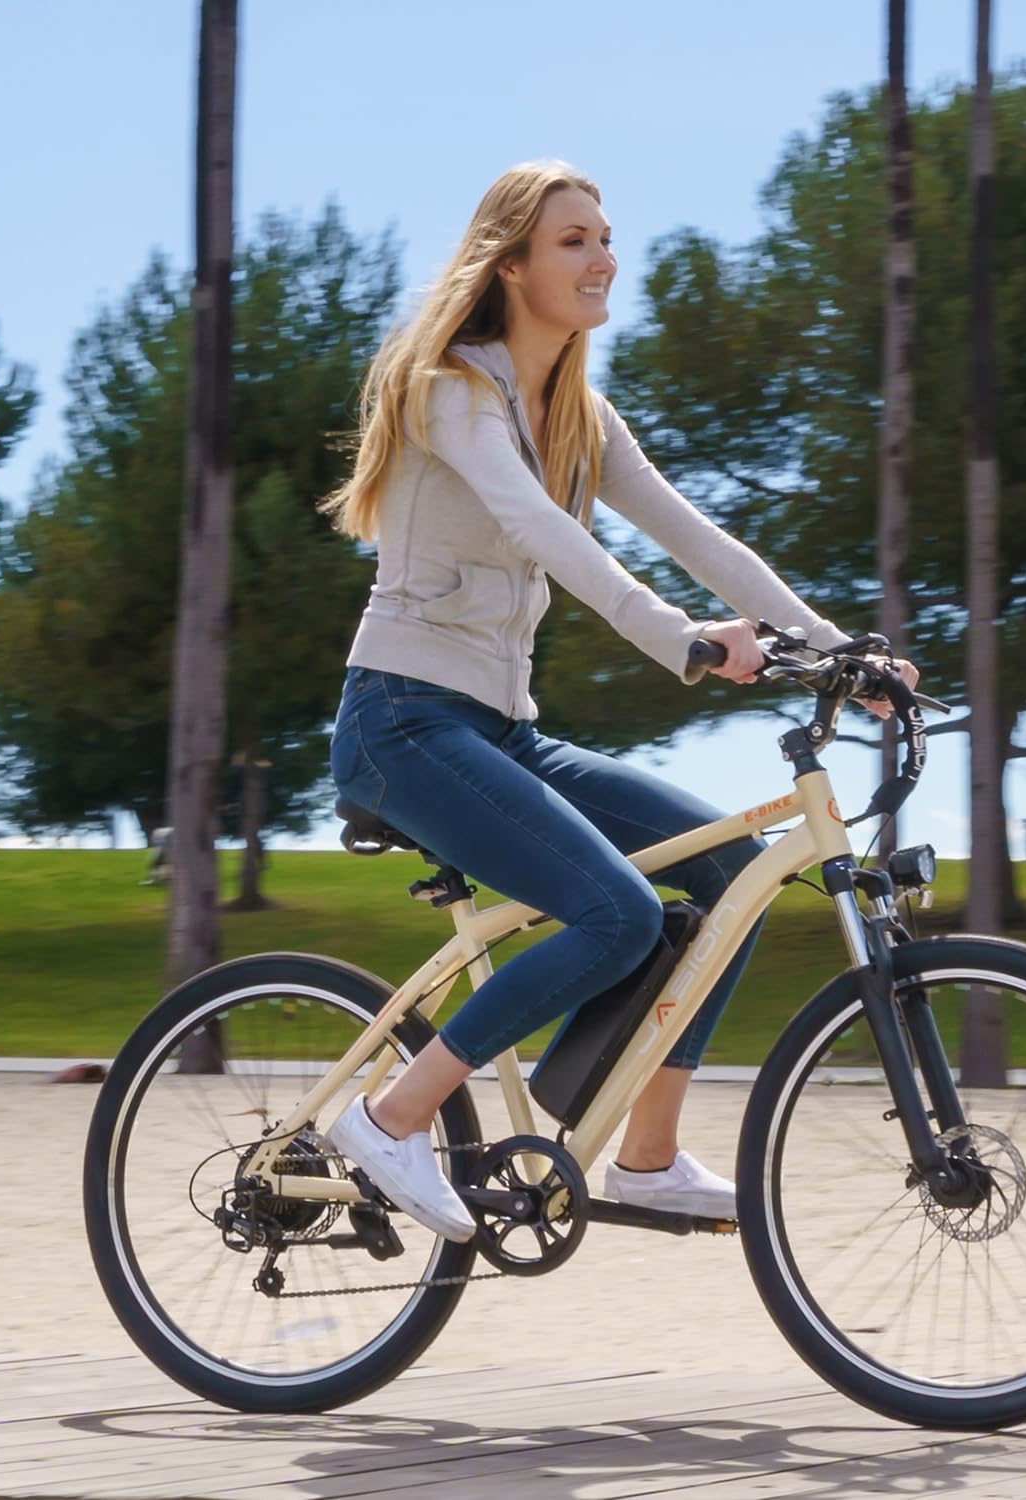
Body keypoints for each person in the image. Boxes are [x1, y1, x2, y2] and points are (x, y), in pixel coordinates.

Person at [319, 161, 917, 1242]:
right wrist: (679, 639)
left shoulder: (579, 418)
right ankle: (390, 1119)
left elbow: (698, 538)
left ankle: (645, 1157)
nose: (603, 258)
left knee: (726, 868)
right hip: (401, 721)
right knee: (620, 914)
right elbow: (538, 528)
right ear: (511, 264)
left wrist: (843, 654)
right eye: (573, 241)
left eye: (604, 236)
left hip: (500, 731)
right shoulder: (449, 389)